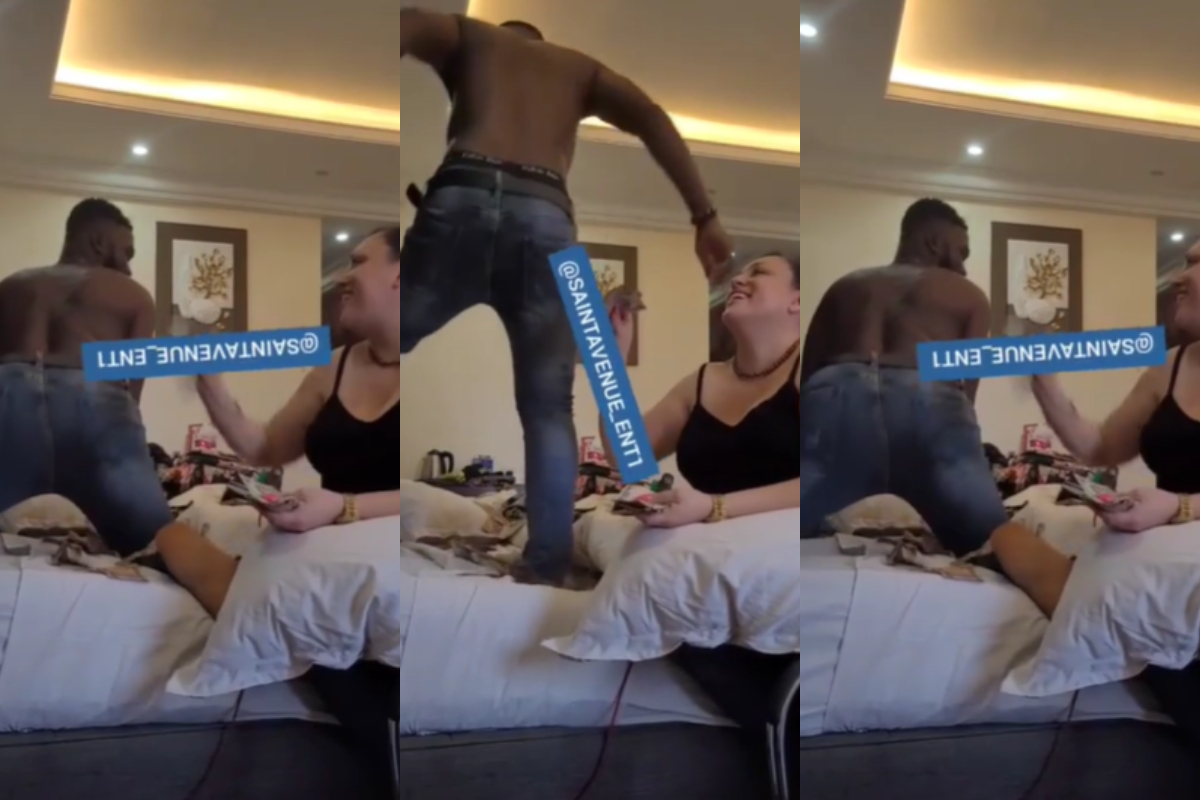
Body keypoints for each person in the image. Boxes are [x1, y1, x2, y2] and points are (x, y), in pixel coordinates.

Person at [399, 7, 734, 584]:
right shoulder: (580, 69)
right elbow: (650, 116)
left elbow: (403, 21)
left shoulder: (470, 35)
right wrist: (703, 215)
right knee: (550, 410)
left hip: (463, 190)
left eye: (760, 276)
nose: (741, 283)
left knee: (376, 338)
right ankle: (547, 569)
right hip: (549, 214)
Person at [156, 226, 409, 799]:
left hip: (382, 538)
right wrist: (210, 382)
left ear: (399, 277)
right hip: (322, 544)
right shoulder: (332, 367)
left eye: (357, 262)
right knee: (223, 560)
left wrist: (345, 507)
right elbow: (265, 448)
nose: (343, 276)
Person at [988, 237, 1200, 750]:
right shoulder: (1169, 366)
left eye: (1197, 263)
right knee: (1005, 536)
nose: (1179, 276)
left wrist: (1180, 506)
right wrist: (1046, 385)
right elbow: (1101, 449)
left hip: (1179, 562)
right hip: (1153, 563)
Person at [603, 253, 803, 793]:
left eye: (759, 272)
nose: (739, 278)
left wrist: (713, 507)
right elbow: (627, 459)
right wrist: (610, 361)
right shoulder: (700, 381)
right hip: (707, 564)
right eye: (741, 272)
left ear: (796, 301)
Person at [798, 197, 1034, 559]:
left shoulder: (845, 286)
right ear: (933, 242)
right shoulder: (968, 295)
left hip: (836, 396)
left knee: (788, 524)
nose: (963, 267)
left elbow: (810, 372)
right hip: (927, 397)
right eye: (961, 252)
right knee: (993, 541)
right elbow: (965, 391)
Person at [0, 197, 191, 561]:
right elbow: (132, 389)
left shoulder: (11, 286)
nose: (129, 267)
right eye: (126, 252)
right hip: (93, 399)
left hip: (7, 396)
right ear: (99, 242)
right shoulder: (133, 295)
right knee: (158, 542)